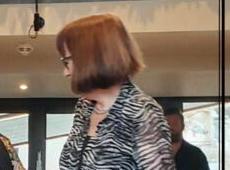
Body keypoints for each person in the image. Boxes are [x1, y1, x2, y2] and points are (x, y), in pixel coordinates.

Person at [56, 14, 175, 169]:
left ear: (91, 59)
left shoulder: (142, 112)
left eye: (66, 62)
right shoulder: (84, 106)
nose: (66, 73)